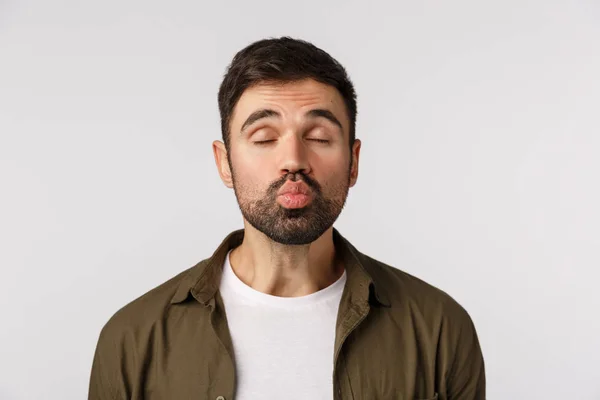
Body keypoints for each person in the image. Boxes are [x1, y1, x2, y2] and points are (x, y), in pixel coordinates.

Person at [88, 37, 485, 400]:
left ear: (353, 161)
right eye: (264, 138)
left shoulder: (439, 330)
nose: (293, 159)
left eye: (318, 137)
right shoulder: (133, 340)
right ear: (224, 163)